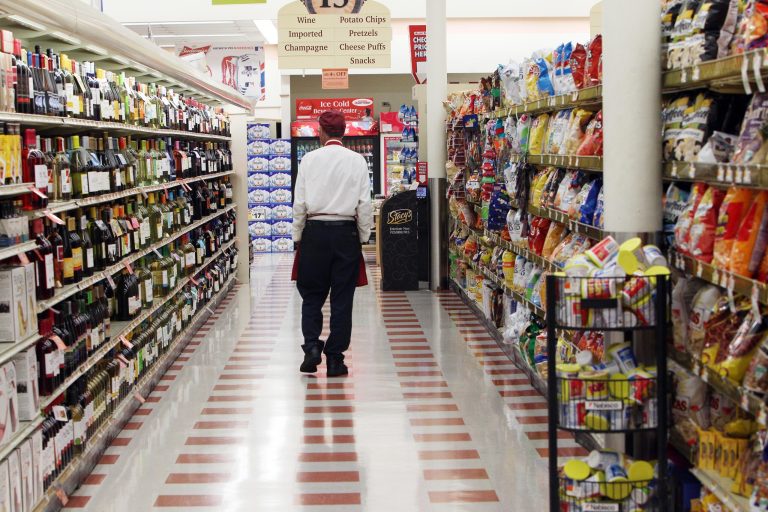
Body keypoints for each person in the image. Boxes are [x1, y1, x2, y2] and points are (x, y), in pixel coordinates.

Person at [293, 110, 373, 377]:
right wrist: (363, 236)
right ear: (344, 131)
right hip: (345, 234)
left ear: (321, 132)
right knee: (342, 299)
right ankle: (336, 359)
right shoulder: (358, 161)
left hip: (315, 233)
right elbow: (364, 204)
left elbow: (300, 204)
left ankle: (312, 348)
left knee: (312, 296)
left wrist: (297, 236)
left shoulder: (308, 159)